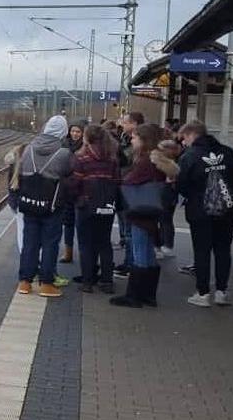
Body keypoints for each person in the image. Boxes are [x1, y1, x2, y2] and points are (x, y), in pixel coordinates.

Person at [175, 120, 233, 307]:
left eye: (184, 138)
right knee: (223, 250)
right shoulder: (229, 153)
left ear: (191, 134)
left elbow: (181, 184)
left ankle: (203, 293)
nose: (183, 142)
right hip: (227, 210)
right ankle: (222, 292)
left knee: (202, 250)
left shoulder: (189, 156)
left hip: (200, 211)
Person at [111, 123, 177, 307]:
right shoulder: (156, 159)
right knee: (147, 252)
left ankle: (134, 296)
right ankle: (148, 295)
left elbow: (130, 181)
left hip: (141, 210)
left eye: (135, 137)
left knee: (140, 251)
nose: (132, 139)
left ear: (144, 140)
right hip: (151, 210)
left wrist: (120, 179)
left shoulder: (146, 161)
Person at [12, 115, 74, 298]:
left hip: (29, 204)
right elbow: (70, 177)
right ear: (63, 131)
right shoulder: (64, 153)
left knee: (30, 243)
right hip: (52, 207)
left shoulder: (28, 149)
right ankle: (47, 283)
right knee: (50, 243)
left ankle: (24, 282)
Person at [69, 124, 120, 294]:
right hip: (106, 207)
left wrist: (76, 198)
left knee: (86, 244)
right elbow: (117, 182)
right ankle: (107, 281)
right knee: (104, 243)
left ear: (87, 138)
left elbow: (75, 183)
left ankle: (87, 281)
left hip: (86, 206)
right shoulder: (112, 159)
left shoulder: (81, 158)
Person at [113, 112, 145, 277]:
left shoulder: (138, 143)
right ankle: (129, 262)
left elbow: (128, 161)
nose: (122, 125)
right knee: (128, 230)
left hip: (130, 190)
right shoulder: (126, 138)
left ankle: (131, 264)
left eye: (125, 122)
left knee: (131, 231)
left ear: (134, 124)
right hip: (126, 188)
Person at [58, 123, 85, 264]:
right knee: (68, 222)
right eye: (73, 131)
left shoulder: (86, 146)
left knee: (81, 224)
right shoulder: (63, 145)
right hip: (67, 189)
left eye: (78, 131)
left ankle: (83, 253)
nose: (75, 134)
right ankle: (68, 252)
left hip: (81, 190)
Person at [156, 139, 182, 260]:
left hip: (164, 193)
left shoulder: (163, 163)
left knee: (163, 220)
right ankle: (167, 245)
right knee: (166, 220)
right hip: (171, 194)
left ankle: (164, 245)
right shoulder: (176, 162)